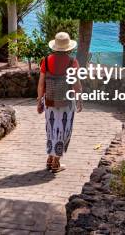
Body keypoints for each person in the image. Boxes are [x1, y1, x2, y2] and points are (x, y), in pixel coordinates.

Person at [37, 32, 82, 173]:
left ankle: (50, 158)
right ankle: (56, 163)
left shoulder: (45, 60)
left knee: (51, 129)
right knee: (63, 129)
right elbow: (76, 83)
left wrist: (39, 101)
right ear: (68, 48)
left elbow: (40, 83)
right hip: (66, 102)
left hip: (49, 101)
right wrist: (79, 99)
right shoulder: (72, 62)